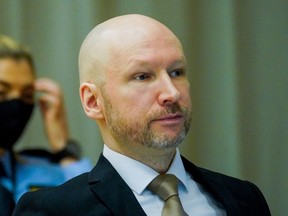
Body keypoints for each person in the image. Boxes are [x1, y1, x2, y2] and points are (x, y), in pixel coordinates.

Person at [13, 14, 271, 216]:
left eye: (177, 72)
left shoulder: (244, 198)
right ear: (93, 101)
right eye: (142, 76)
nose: (171, 93)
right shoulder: (53, 211)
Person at [0, 35, 92, 203]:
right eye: (1, 92)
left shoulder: (43, 171)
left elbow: (95, 205)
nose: (16, 105)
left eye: (27, 95)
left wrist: (62, 148)